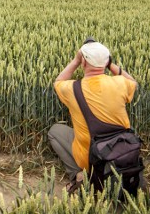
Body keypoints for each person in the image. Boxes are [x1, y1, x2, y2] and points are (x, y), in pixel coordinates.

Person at [49, 39, 137, 194]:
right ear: (106, 63)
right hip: (122, 151)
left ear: (83, 62)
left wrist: (76, 60)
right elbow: (133, 82)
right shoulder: (121, 83)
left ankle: (79, 174)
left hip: (91, 156)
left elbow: (59, 81)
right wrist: (110, 65)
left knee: (55, 131)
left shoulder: (72, 89)